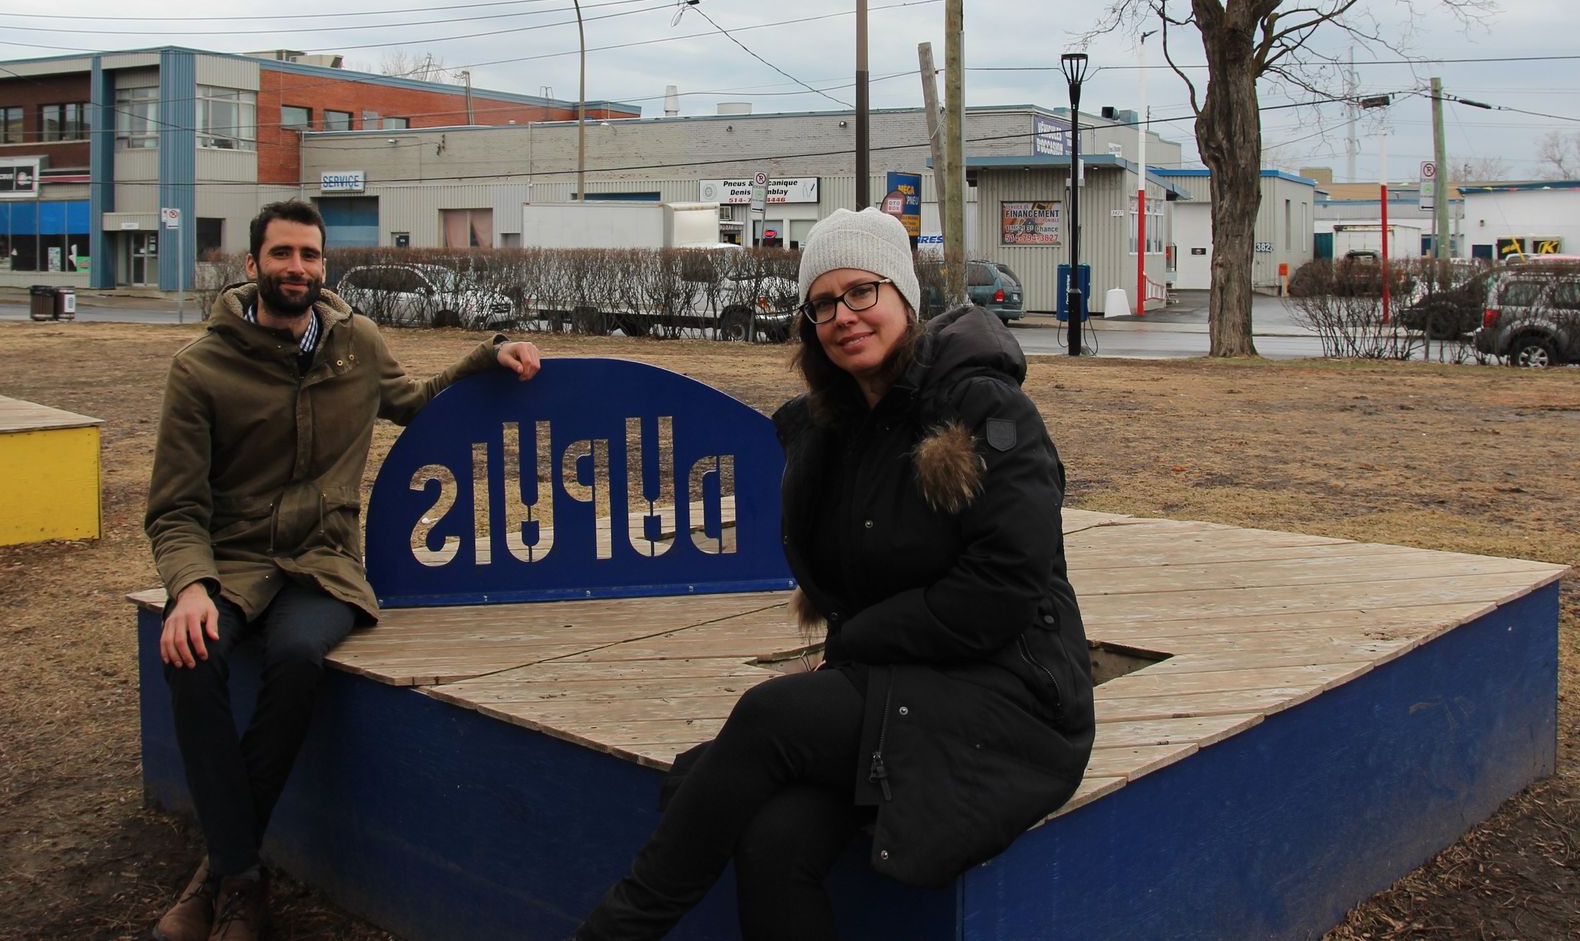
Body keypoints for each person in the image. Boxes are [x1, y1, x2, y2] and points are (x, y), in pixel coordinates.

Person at [575, 206, 1094, 940]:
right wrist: (854, 644)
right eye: (822, 302)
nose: (843, 314)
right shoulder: (838, 429)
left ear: (904, 296)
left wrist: (853, 645)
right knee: (775, 837)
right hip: (908, 679)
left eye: (862, 291)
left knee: (767, 716)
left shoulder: (982, 407)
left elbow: (1002, 590)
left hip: (1013, 693)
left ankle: (612, 932)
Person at [145, 199, 541, 941]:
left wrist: (488, 355)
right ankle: (240, 875)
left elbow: (414, 402)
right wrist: (189, 587)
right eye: (282, 253)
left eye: (310, 255)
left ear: (324, 265)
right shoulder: (200, 367)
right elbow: (173, 507)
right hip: (229, 563)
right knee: (191, 660)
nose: (297, 267)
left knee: (297, 657)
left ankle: (222, 874)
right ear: (252, 264)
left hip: (322, 566)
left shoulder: (354, 342)